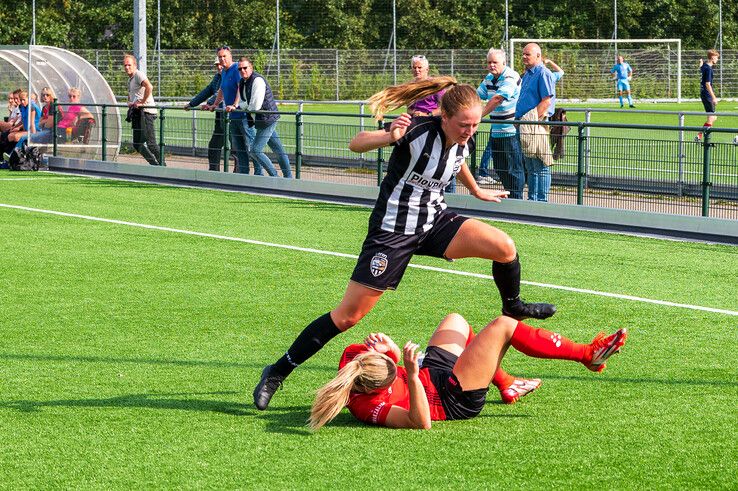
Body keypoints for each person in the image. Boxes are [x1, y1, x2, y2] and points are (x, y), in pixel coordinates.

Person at [253, 76, 556, 411]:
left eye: (474, 124)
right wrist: (388, 135)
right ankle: (277, 372)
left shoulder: (464, 137)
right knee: (348, 316)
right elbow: (356, 143)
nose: (469, 131)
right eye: (463, 125)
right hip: (392, 232)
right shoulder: (417, 131)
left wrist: (476, 190)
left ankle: (512, 305)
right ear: (444, 118)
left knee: (503, 246)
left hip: (435, 222)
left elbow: (457, 163)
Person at [309, 313, 628, 430]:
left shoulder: (354, 358)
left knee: (457, 320)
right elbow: (420, 422)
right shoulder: (368, 407)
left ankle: (506, 383)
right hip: (451, 398)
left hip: (431, 374)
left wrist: (391, 352)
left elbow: (396, 370)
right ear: (370, 390)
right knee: (504, 327)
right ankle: (588, 355)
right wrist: (406, 366)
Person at [231, 57, 291, 178]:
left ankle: (275, 177)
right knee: (278, 150)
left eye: (245, 68)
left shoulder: (257, 80)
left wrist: (242, 106)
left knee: (255, 150)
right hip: (260, 120)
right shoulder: (243, 82)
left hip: (267, 119)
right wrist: (244, 105)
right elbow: (244, 102)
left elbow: (255, 106)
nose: (242, 70)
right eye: (240, 69)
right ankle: (288, 178)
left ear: (251, 67)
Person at [476, 48, 524, 198]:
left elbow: (497, 99)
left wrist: (477, 116)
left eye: (495, 62)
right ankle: (510, 197)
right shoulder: (489, 78)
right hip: (496, 130)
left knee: (513, 169)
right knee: (500, 168)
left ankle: (517, 200)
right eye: (489, 62)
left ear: (504, 62)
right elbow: (477, 95)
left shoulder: (510, 76)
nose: (491, 65)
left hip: (511, 131)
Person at [406, 55, 457, 192]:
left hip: (434, 126)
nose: (417, 70)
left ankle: (450, 191)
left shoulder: (435, 86)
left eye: (420, 67)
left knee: (443, 160)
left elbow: (444, 106)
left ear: (427, 69)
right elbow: (409, 107)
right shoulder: (410, 86)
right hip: (416, 127)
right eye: (414, 67)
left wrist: (427, 114)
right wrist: (413, 113)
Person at [515, 43, 556, 202]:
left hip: (535, 125)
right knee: (531, 166)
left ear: (538, 56)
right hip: (526, 124)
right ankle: (532, 200)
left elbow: (546, 101)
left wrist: (531, 122)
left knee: (540, 165)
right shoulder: (527, 74)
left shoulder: (543, 73)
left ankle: (541, 201)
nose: (524, 56)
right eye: (523, 54)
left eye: (528, 54)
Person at [212, 46, 256, 174]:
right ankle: (243, 175)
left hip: (243, 115)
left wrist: (235, 104)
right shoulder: (224, 71)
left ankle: (259, 174)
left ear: (230, 56)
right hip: (233, 116)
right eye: (220, 57)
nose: (222, 59)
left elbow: (239, 87)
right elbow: (222, 89)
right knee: (239, 149)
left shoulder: (237, 68)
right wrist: (214, 104)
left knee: (253, 148)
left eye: (224, 56)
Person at [185, 58, 224, 171]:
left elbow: (223, 92)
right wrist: (192, 103)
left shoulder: (230, 76)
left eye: (220, 64)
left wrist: (210, 103)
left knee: (237, 148)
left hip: (233, 116)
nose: (219, 67)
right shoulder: (217, 77)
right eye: (217, 65)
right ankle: (214, 173)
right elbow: (208, 90)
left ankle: (239, 174)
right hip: (220, 115)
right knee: (214, 145)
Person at [124, 54, 160, 166]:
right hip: (138, 113)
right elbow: (134, 95)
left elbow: (149, 87)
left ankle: (163, 166)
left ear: (135, 65)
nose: (126, 67)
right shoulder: (130, 79)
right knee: (137, 143)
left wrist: (143, 102)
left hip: (147, 113)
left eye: (129, 65)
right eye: (125, 65)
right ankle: (154, 164)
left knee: (151, 144)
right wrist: (131, 103)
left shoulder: (139, 75)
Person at [696, 50, 719, 142]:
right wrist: (713, 97)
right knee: (712, 117)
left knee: (713, 116)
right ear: (712, 57)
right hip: (707, 95)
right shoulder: (709, 69)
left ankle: (701, 135)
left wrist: (700, 63)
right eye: (717, 57)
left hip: (703, 94)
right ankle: (700, 135)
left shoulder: (704, 66)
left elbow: (701, 68)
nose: (717, 59)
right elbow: (707, 84)